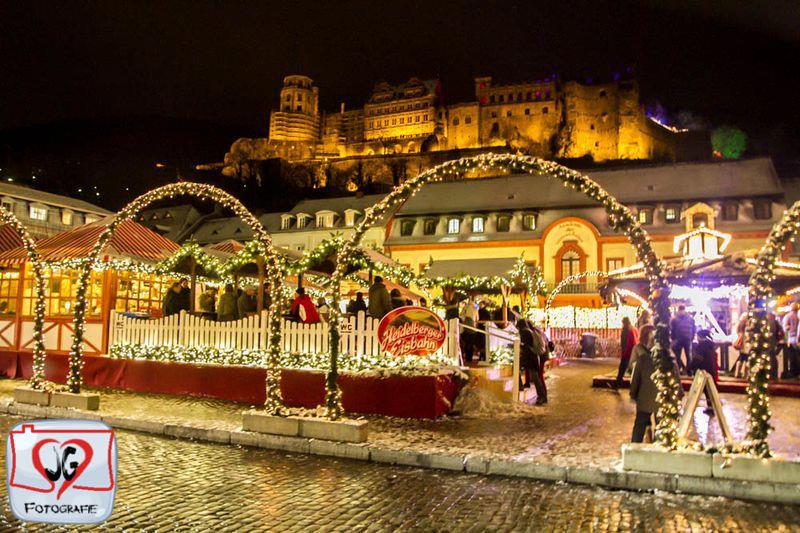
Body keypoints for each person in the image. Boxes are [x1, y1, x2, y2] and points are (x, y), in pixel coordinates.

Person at [629, 324, 682, 442]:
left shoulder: (643, 359)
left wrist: (633, 394)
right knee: (661, 426)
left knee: (640, 425)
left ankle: (635, 447)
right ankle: (658, 447)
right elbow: (677, 379)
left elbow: (635, 379)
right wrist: (679, 394)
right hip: (664, 400)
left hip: (644, 399)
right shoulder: (670, 360)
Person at [516, 318, 548, 405]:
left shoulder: (525, 333)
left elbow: (525, 345)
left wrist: (518, 346)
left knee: (535, 377)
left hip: (530, 358)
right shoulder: (530, 332)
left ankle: (541, 396)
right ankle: (542, 396)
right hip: (533, 357)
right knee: (535, 377)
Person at [690, 329, 719, 415]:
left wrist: (690, 367)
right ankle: (711, 407)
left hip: (703, 371)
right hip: (710, 370)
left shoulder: (702, 346)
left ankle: (692, 408)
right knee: (708, 390)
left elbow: (698, 358)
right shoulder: (710, 345)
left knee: (697, 390)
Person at [614, 316, 638, 389]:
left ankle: (618, 385)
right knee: (630, 369)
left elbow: (628, 342)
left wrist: (625, 352)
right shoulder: (634, 329)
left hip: (627, 353)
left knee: (622, 369)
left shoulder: (627, 330)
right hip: (632, 352)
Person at [670, 305, 695, 372]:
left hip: (678, 338)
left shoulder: (674, 319)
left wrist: (673, 338)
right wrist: (691, 338)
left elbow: (672, 329)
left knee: (677, 355)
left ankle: (679, 369)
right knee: (688, 355)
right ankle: (689, 371)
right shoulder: (690, 318)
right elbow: (694, 329)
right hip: (687, 338)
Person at [781, 303, 799, 379]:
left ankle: (793, 373)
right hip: (798, 337)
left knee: (792, 356)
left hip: (791, 338)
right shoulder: (798, 316)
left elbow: (785, 328)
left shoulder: (787, 316)